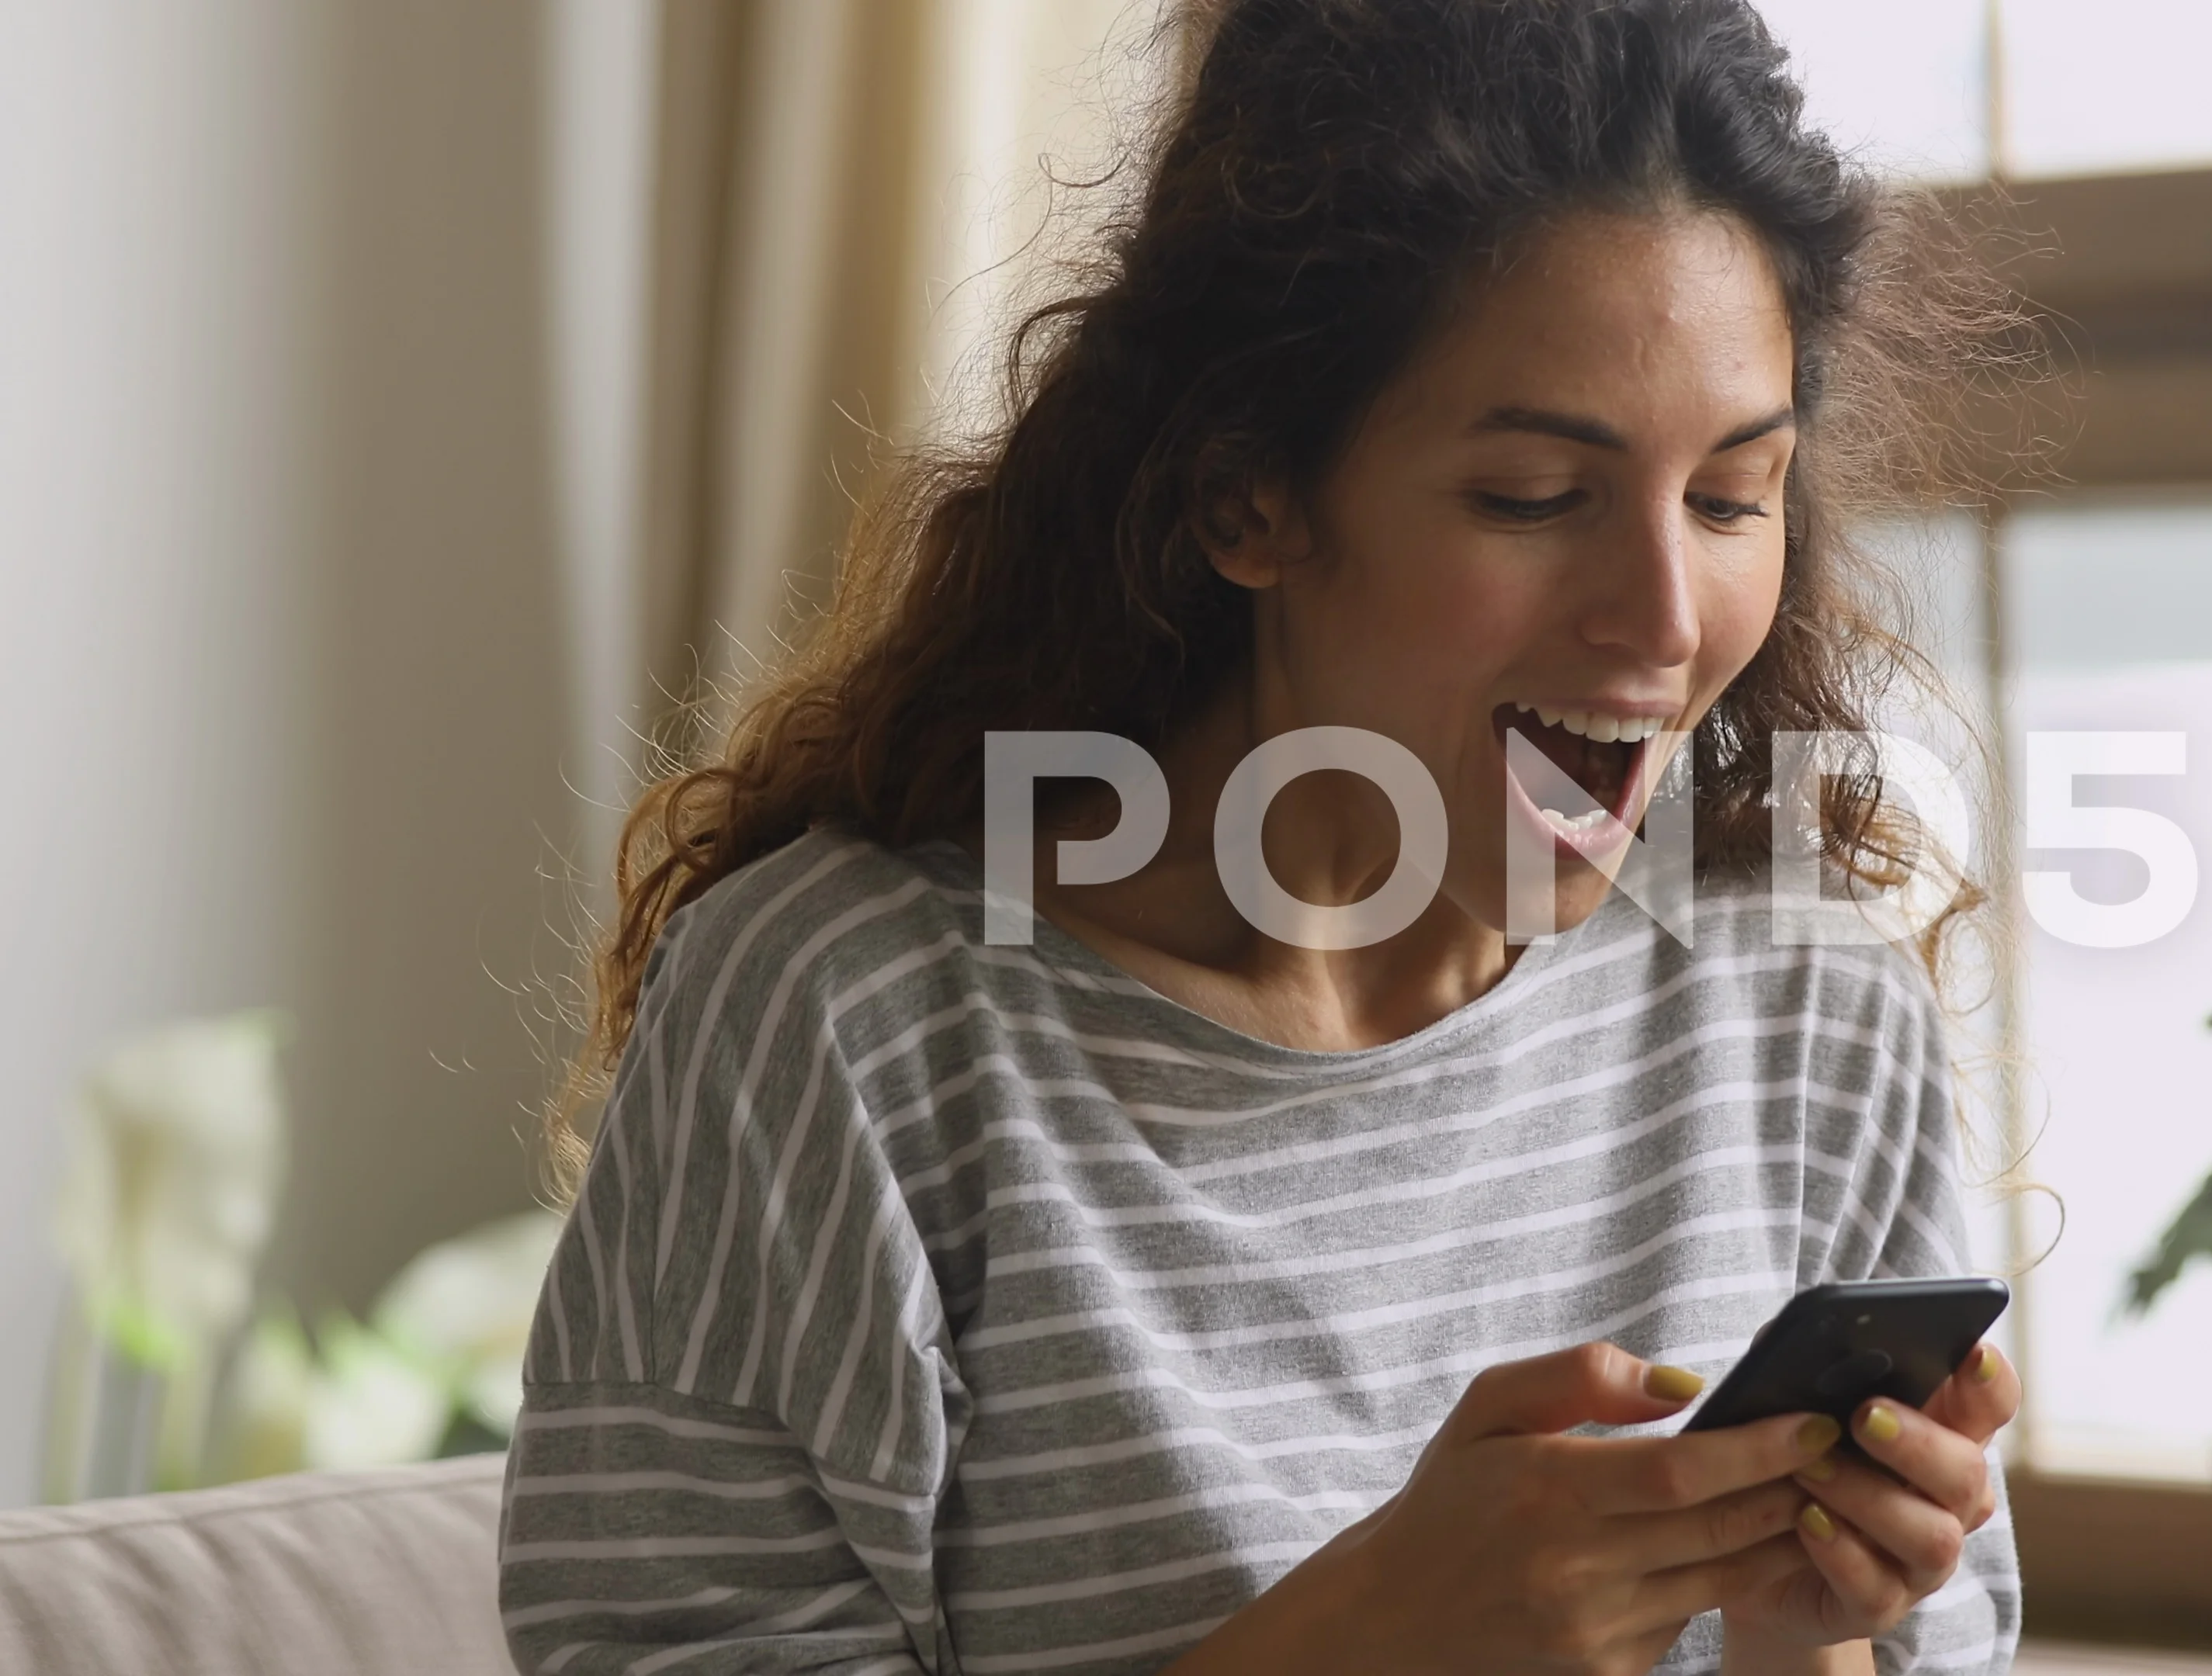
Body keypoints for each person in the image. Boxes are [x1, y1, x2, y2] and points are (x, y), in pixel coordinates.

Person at [498, 1, 2027, 1671]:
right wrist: (1367, 1637)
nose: (1665, 616)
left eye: (1731, 497)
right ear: (1248, 496)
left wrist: (1790, 1629)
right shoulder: (852, 1024)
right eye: (1531, 496)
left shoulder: (1796, 1005)